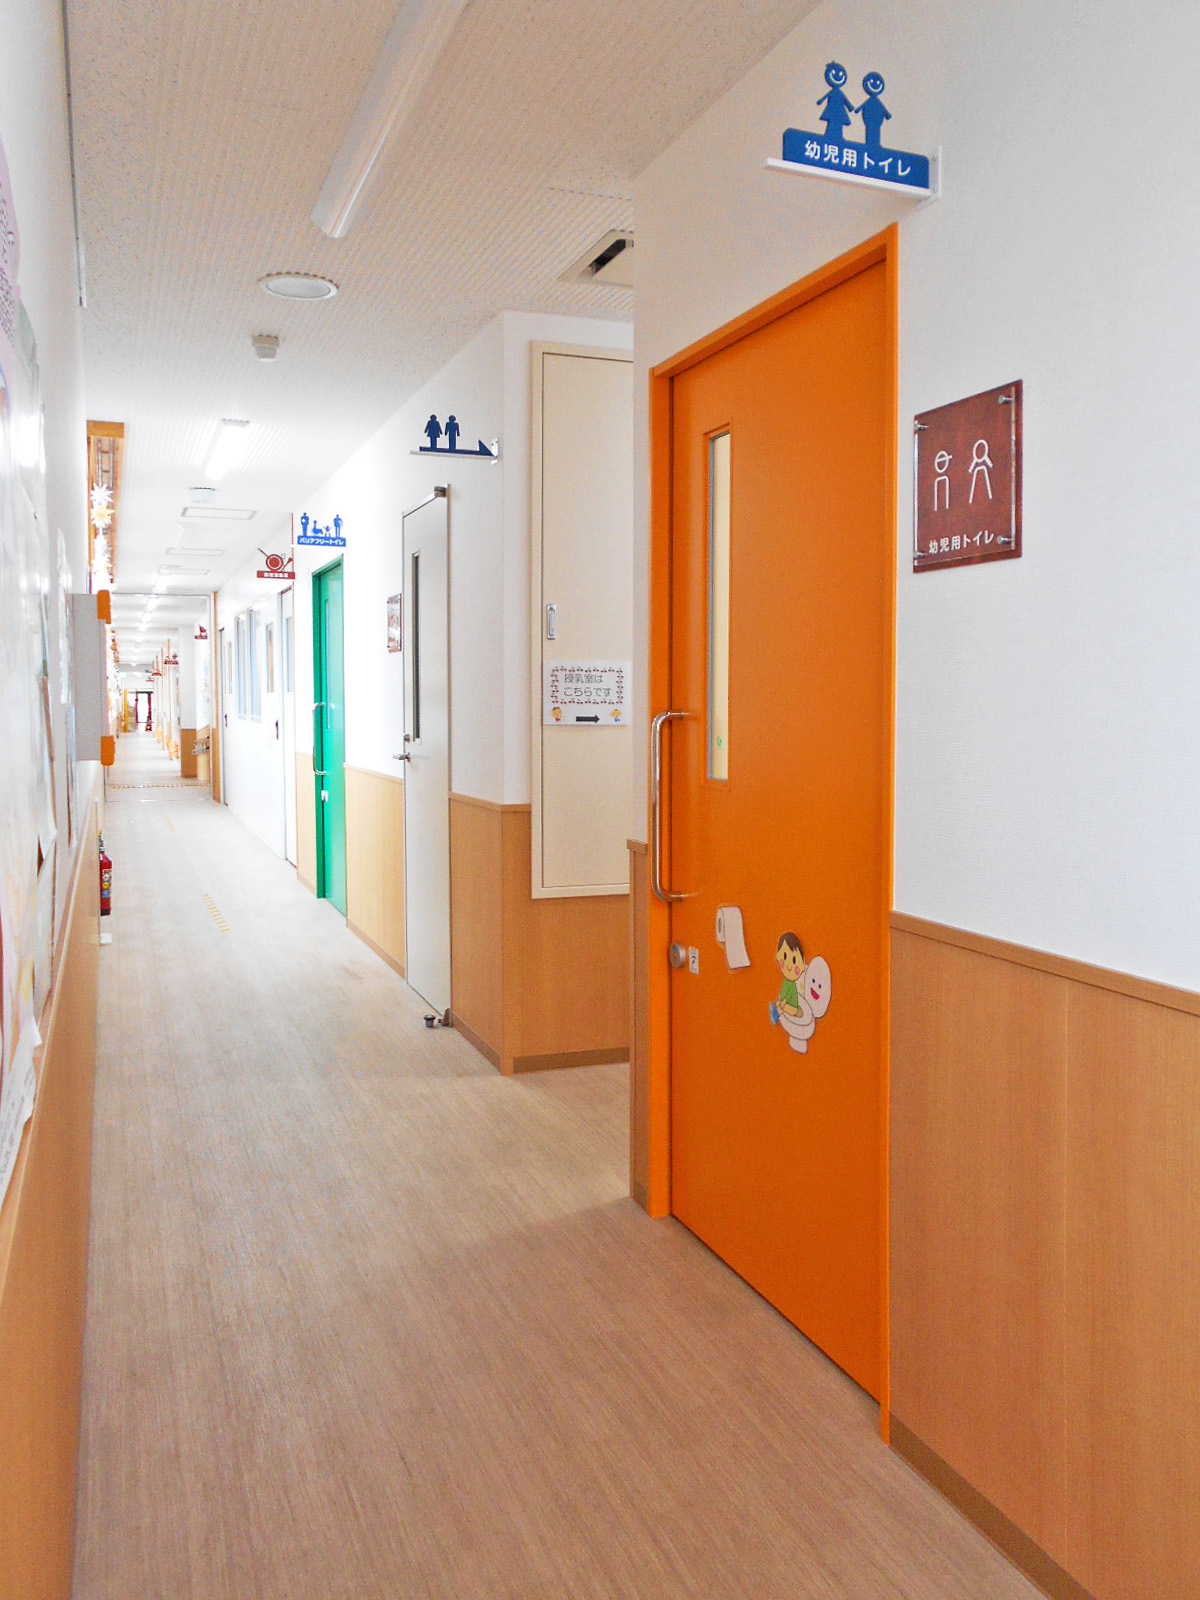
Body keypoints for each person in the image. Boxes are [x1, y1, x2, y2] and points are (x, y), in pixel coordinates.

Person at [817, 61, 855, 143]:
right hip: (832, 109)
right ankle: (830, 135)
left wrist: (850, 107)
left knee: (838, 123)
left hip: (839, 111)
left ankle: (838, 136)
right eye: (834, 73)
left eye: (840, 74)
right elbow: (825, 97)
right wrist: (821, 101)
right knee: (832, 122)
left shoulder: (839, 93)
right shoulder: (833, 92)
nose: (837, 76)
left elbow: (845, 101)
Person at [857, 71, 891, 154]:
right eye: (872, 82)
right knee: (870, 131)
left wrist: (887, 114)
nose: (875, 84)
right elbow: (861, 107)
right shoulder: (871, 101)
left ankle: (875, 144)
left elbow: (885, 111)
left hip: (877, 121)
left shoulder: (877, 102)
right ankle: (870, 144)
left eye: (878, 83)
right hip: (869, 120)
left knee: (876, 132)